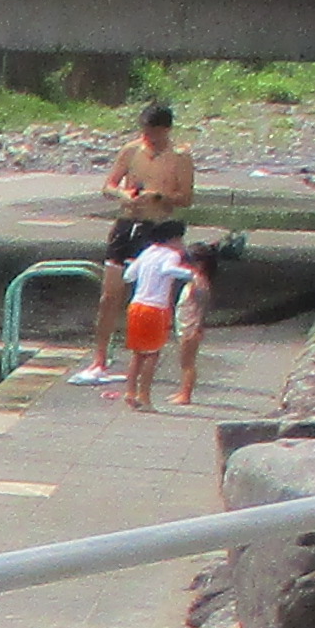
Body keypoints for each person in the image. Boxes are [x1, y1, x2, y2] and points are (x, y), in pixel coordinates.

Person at [85, 97, 196, 381]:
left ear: (166, 130)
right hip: (127, 222)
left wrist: (159, 196)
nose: (149, 138)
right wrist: (124, 194)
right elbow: (108, 186)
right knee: (110, 295)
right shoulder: (131, 150)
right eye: (145, 131)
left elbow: (186, 198)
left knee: (150, 297)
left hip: (158, 226)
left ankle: (146, 358)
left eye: (155, 133)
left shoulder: (180, 156)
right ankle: (100, 358)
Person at [118, 230, 210, 408]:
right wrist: (190, 274)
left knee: (137, 353)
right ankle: (144, 396)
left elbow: (128, 275)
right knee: (152, 354)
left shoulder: (147, 252)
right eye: (180, 239)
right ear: (172, 239)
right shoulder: (172, 255)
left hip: (136, 305)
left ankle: (130, 391)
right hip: (156, 308)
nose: (182, 245)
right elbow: (167, 269)